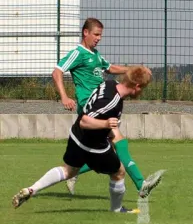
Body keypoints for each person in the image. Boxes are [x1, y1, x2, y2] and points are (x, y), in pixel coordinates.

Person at [12, 66, 164, 212]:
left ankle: (32, 189)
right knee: (119, 172)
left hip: (76, 135)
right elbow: (85, 121)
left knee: (68, 171)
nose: (141, 92)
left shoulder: (109, 84)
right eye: (142, 88)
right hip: (93, 143)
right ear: (136, 86)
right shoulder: (112, 102)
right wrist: (105, 123)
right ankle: (117, 209)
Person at [52, 18, 155, 198]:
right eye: (96, 34)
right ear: (86, 33)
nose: (99, 38)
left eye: (101, 35)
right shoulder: (79, 53)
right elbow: (57, 71)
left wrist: (134, 70)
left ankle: (74, 173)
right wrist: (64, 96)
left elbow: (110, 68)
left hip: (103, 105)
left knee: (108, 151)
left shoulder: (95, 54)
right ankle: (141, 184)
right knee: (118, 141)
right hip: (90, 106)